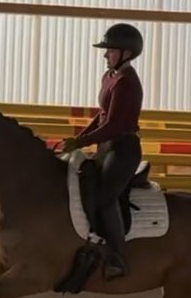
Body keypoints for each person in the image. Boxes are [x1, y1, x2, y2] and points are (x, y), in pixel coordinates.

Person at [62, 23, 145, 281]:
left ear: (126, 53)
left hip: (123, 149)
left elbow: (114, 125)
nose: (105, 55)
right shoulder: (109, 76)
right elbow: (102, 117)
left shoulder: (127, 82)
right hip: (106, 146)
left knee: (105, 198)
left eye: (110, 51)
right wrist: (79, 138)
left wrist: (80, 143)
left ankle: (118, 257)